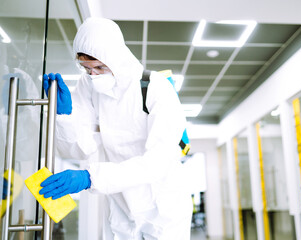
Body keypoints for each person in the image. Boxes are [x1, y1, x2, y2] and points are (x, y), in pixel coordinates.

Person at [39, 17, 193, 239]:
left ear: (117, 59)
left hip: (162, 206)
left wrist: (90, 177)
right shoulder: (88, 85)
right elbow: (79, 149)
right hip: (120, 203)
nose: (93, 75)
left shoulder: (155, 88)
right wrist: (63, 117)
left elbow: (157, 163)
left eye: (100, 67)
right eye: (86, 69)